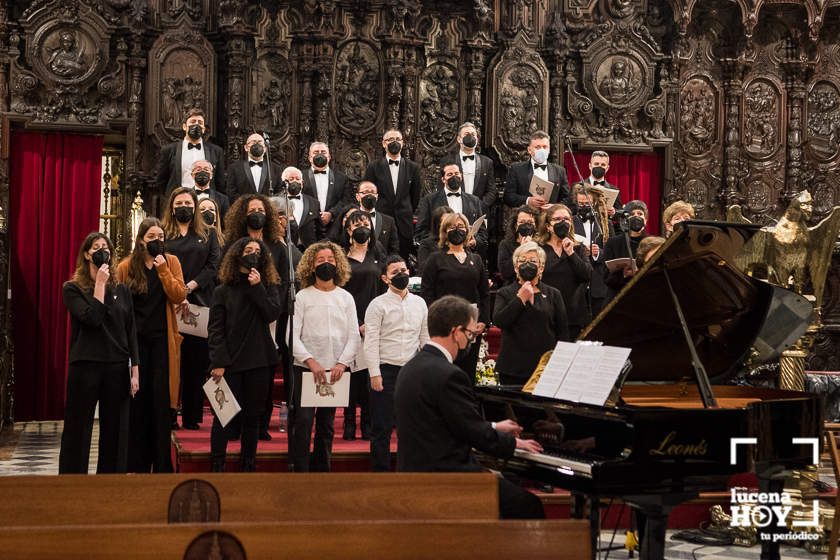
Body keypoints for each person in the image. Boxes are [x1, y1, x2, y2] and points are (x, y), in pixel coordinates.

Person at [394, 295, 545, 519]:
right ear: (456, 332)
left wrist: (493, 425)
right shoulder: (449, 375)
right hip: (446, 477)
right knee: (528, 505)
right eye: (471, 334)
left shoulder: (411, 367)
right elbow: (474, 434)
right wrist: (515, 443)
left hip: (414, 471)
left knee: (510, 484)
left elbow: (448, 421)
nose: (470, 342)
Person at [59, 233, 139, 474]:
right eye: (96, 247)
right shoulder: (72, 289)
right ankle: (73, 481)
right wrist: (100, 285)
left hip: (116, 365)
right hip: (86, 365)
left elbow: (131, 330)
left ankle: (110, 481)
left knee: (115, 429)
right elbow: (92, 319)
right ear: (87, 254)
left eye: (106, 247)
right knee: (78, 427)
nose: (102, 250)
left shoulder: (122, 290)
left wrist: (135, 370)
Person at [116, 218, 187, 473]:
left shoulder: (171, 262)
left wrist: (163, 270)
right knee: (138, 404)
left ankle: (162, 464)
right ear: (140, 240)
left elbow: (179, 294)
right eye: (152, 237)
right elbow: (118, 305)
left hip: (162, 341)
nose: (157, 241)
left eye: (161, 237)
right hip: (135, 343)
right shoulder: (125, 266)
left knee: (160, 402)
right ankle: (136, 463)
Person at [208, 237, 283, 471]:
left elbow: (271, 314)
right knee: (224, 416)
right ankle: (217, 463)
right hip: (229, 363)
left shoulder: (268, 286)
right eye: (248, 249)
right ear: (237, 254)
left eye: (257, 251)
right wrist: (218, 362)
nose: (253, 253)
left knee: (253, 417)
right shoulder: (222, 290)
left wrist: (257, 287)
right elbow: (215, 329)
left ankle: (248, 464)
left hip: (259, 361)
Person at [289, 241, 361, 472]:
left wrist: (342, 362)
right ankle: (300, 470)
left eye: (330, 260)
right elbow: (291, 336)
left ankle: (323, 469)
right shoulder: (302, 297)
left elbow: (353, 336)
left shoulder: (346, 298)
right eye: (321, 260)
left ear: (338, 264)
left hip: (335, 371)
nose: (326, 263)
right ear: (311, 265)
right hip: (307, 369)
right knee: (303, 422)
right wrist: (310, 361)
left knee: (327, 425)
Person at [161, 187, 221, 430]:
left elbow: (213, 264)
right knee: (172, 362)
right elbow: (160, 263)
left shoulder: (207, 233)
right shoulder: (164, 232)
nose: (183, 206)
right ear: (172, 207)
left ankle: (192, 415)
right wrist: (177, 292)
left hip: (199, 302)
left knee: (196, 363)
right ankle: (170, 412)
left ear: (195, 206)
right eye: (179, 203)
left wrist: (189, 287)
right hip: (169, 303)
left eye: (188, 202)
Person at [364, 255, 429, 471]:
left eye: (404, 270)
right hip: (385, 370)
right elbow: (371, 341)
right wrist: (375, 374)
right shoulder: (377, 305)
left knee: (409, 428)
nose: (401, 275)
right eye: (395, 272)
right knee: (381, 428)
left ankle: (406, 472)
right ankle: (380, 474)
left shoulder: (420, 303)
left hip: (411, 372)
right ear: (385, 278)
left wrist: (424, 372)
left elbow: (424, 339)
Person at [421, 213, 489, 382]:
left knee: (468, 373)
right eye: (452, 227)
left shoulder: (476, 259)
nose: (457, 230)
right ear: (445, 231)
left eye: (461, 227)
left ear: (468, 231)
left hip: (471, 325)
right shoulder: (435, 259)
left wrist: (483, 320)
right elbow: (427, 292)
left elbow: (484, 293)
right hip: (446, 325)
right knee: (445, 371)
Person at [493, 242, 569, 386]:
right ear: (516, 268)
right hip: (513, 369)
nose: (528, 264)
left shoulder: (553, 294)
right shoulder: (505, 293)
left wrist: (560, 363)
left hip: (545, 368)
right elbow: (499, 321)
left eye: (533, 261)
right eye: (523, 261)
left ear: (541, 267)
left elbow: (562, 332)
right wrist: (520, 299)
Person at [340, 210, 386, 440]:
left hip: (374, 324)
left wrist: (372, 323)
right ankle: (349, 422)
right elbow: (340, 294)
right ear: (348, 230)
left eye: (366, 223)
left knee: (370, 375)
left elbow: (383, 289)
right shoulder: (341, 257)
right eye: (357, 224)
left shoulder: (378, 254)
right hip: (349, 323)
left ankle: (367, 422)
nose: (362, 227)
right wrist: (356, 323)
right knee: (351, 376)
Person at [362, 129, 422, 258]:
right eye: (390, 139)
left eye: (397, 139)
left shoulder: (413, 167)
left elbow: (415, 196)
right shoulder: (374, 167)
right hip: (381, 220)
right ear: (384, 144)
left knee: (402, 259)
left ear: (402, 143)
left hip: (404, 223)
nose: (394, 142)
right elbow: (367, 191)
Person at [537, 204, 592, 339]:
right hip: (546, 312)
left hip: (573, 314)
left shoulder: (578, 248)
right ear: (548, 226)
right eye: (557, 219)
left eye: (566, 219)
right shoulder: (538, 249)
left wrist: (571, 253)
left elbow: (587, 275)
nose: (563, 222)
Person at [415, 163, 487, 259]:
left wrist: (475, 242)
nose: (454, 176)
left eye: (457, 173)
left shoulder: (474, 200)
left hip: (468, 255)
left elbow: (482, 233)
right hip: (440, 255)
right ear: (443, 179)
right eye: (450, 174)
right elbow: (421, 231)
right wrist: (443, 242)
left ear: (461, 176)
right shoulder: (429, 200)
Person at [155, 108, 226, 197]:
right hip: (178, 201)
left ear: (204, 129)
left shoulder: (216, 151)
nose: (196, 125)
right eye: (193, 122)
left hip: (205, 202)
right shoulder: (169, 150)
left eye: (200, 123)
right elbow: (161, 180)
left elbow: (220, 183)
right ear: (185, 126)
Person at [503, 130, 571, 210]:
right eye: (537, 147)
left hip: (550, 218)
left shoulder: (559, 171)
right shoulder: (516, 169)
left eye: (545, 147)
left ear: (549, 149)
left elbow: (568, 199)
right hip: (527, 216)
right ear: (529, 150)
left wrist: (555, 207)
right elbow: (508, 196)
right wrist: (528, 200)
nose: (542, 150)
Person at [440, 122, 497, 213]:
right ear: (459, 139)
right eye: (466, 134)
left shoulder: (487, 162)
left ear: (477, 139)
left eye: (473, 134)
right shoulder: (447, 161)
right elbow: (441, 188)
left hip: (478, 212)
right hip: (453, 211)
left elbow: (491, 190)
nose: (470, 137)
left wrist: (478, 206)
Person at [572, 185, 611, 317]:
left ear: (594, 203)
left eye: (586, 203)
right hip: (577, 283)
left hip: (599, 283)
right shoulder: (571, 222)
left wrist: (598, 253)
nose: (583, 206)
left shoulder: (605, 223)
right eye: (580, 203)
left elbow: (612, 251)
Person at [331, 181, 399, 256]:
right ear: (357, 196)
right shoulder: (348, 218)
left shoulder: (389, 221)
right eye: (365, 192)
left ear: (377, 196)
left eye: (372, 192)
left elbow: (394, 249)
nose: (369, 195)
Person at [302, 141, 352, 235]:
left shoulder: (341, 178)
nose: (320, 154)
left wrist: (331, 214)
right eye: (316, 152)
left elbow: (346, 200)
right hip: (308, 228)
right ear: (309, 158)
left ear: (329, 157)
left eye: (323, 152)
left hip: (334, 229)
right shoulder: (300, 176)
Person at [603, 200, 649, 300]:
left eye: (640, 214)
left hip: (644, 295)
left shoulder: (651, 243)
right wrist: (623, 275)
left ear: (645, 220)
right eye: (632, 214)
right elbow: (606, 277)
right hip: (618, 297)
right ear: (626, 219)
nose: (636, 216)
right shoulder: (612, 243)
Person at [225, 133, 282, 202]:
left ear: (265, 148)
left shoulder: (275, 169)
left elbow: (279, 193)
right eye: (253, 142)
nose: (257, 144)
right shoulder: (234, 168)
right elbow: (231, 192)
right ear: (246, 147)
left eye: (260, 142)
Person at [571, 151, 624, 218]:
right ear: (590, 166)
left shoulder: (614, 189)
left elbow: (620, 212)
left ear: (607, 168)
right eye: (596, 164)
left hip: (604, 226)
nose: (599, 166)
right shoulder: (577, 186)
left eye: (603, 165)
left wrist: (614, 212)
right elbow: (570, 209)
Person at [281, 166, 323, 251]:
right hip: (285, 250)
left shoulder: (314, 202)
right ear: (284, 182)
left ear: (302, 183)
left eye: (297, 179)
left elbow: (320, 229)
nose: (295, 181)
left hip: (310, 250)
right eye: (291, 179)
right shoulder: (275, 201)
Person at [497, 205, 541, 285]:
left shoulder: (541, 244)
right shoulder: (505, 244)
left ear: (536, 225)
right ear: (515, 225)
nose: (527, 225)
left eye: (530, 222)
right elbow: (505, 273)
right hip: (513, 287)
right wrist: (521, 249)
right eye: (522, 222)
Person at [416, 205, 453, 275]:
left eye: (450, 221)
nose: (448, 225)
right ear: (437, 223)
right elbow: (424, 269)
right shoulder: (426, 244)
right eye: (445, 222)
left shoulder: (459, 242)